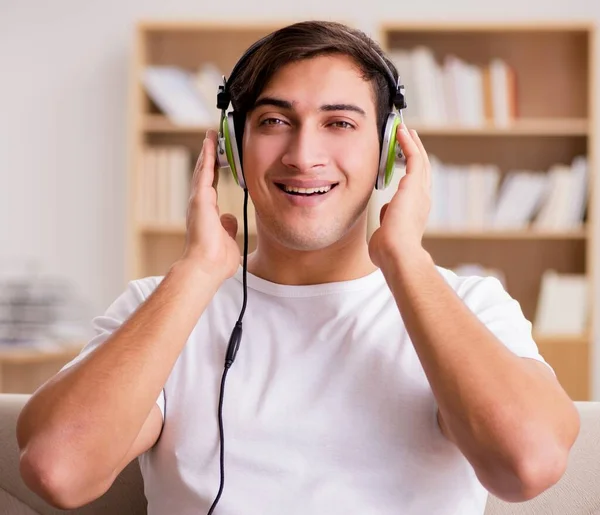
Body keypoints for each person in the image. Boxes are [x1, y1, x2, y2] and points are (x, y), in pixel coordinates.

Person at [16, 20, 579, 515]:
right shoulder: (159, 307)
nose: (303, 154)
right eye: (274, 121)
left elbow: (526, 465)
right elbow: (58, 471)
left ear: (388, 152)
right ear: (234, 150)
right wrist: (199, 269)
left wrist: (404, 259)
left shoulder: (470, 307)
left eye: (339, 123)